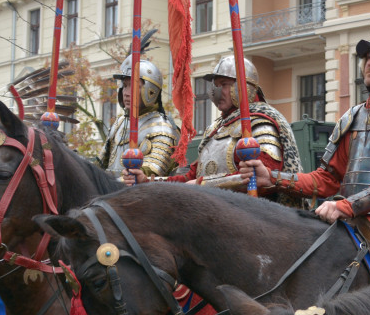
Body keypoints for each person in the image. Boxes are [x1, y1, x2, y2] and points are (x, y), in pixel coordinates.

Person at [242, 21, 370, 279]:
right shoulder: (353, 117)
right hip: (351, 222)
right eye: (368, 56)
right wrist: (272, 178)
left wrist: (346, 206)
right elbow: (325, 180)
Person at [125, 55, 301, 204]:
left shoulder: (260, 122)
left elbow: (261, 180)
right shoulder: (216, 128)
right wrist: (148, 182)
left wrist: (201, 185)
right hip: (214, 214)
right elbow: (190, 177)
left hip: (251, 218)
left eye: (224, 84)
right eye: (216, 86)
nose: (217, 92)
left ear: (244, 87)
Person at [100, 55, 179, 178]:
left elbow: (153, 170)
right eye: (125, 86)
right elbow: (100, 165)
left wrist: (133, 176)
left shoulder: (163, 128)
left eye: (134, 86)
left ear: (150, 91)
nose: (126, 93)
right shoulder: (119, 123)